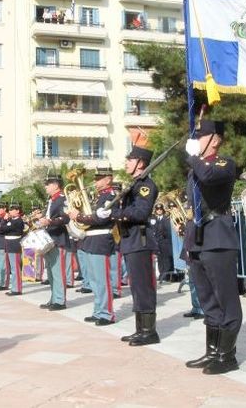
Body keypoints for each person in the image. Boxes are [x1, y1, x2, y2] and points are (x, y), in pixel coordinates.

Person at [183, 120, 242, 375]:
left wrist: (194, 157)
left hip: (218, 236)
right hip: (198, 239)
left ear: (215, 139)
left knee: (225, 298)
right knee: (207, 299)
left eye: (202, 135)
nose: (196, 140)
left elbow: (207, 176)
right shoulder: (194, 167)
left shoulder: (223, 163)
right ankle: (213, 352)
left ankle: (227, 356)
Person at [101, 147, 160, 344]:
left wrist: (113, 214)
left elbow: (140, 213)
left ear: (140, 163)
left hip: (140, 240)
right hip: (130, 240)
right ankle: (140, 329)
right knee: (136, 287)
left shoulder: (146, 185)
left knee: (143, 287)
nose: (126, 163)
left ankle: (149, 332)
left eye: (130, 159)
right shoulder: (133, 185)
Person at [69, 166, 117, 326]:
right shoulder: (99, 196)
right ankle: (98, 311)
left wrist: (79, 216)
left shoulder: (110, 195)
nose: (95, 182)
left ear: (108, 179)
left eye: (98, 179)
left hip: (101, 239)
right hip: (90, 240)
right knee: (95, 280)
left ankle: (107, 313)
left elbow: (101, 218)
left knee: (102, 280)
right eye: (95, 179)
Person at [38, 174, 70, 311]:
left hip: (58, 239)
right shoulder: (51, 200)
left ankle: (60, 300)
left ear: (56, 185)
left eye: (48, 184)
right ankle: (53, 298)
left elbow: (66, 218)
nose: (45, 186)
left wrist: (49, 221)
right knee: (50, 272)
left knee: (58, 272)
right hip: (49, 239)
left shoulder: (62, 199)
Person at [3, 203, 25, 296]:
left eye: (12, 210)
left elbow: (4, 229)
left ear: (17, 211)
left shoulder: (18, 221)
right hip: (9, 244)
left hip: (14, 245)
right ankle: (14, 287)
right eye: (10, 210)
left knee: (15, 268)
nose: (10, 211)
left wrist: (5, 222)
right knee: (12, 268)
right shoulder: (11, 220)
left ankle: (17, 289)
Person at [150, 204, 174, 282]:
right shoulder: (154, 219)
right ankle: (161, 274)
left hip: (165, 241)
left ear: (163, 209)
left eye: (160, 209)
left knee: (166, 259)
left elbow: (169, 232)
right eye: (157, 209)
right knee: (160, 259)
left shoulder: (166, 218)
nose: (159, 210)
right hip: (158, 242)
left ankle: (166, 275)